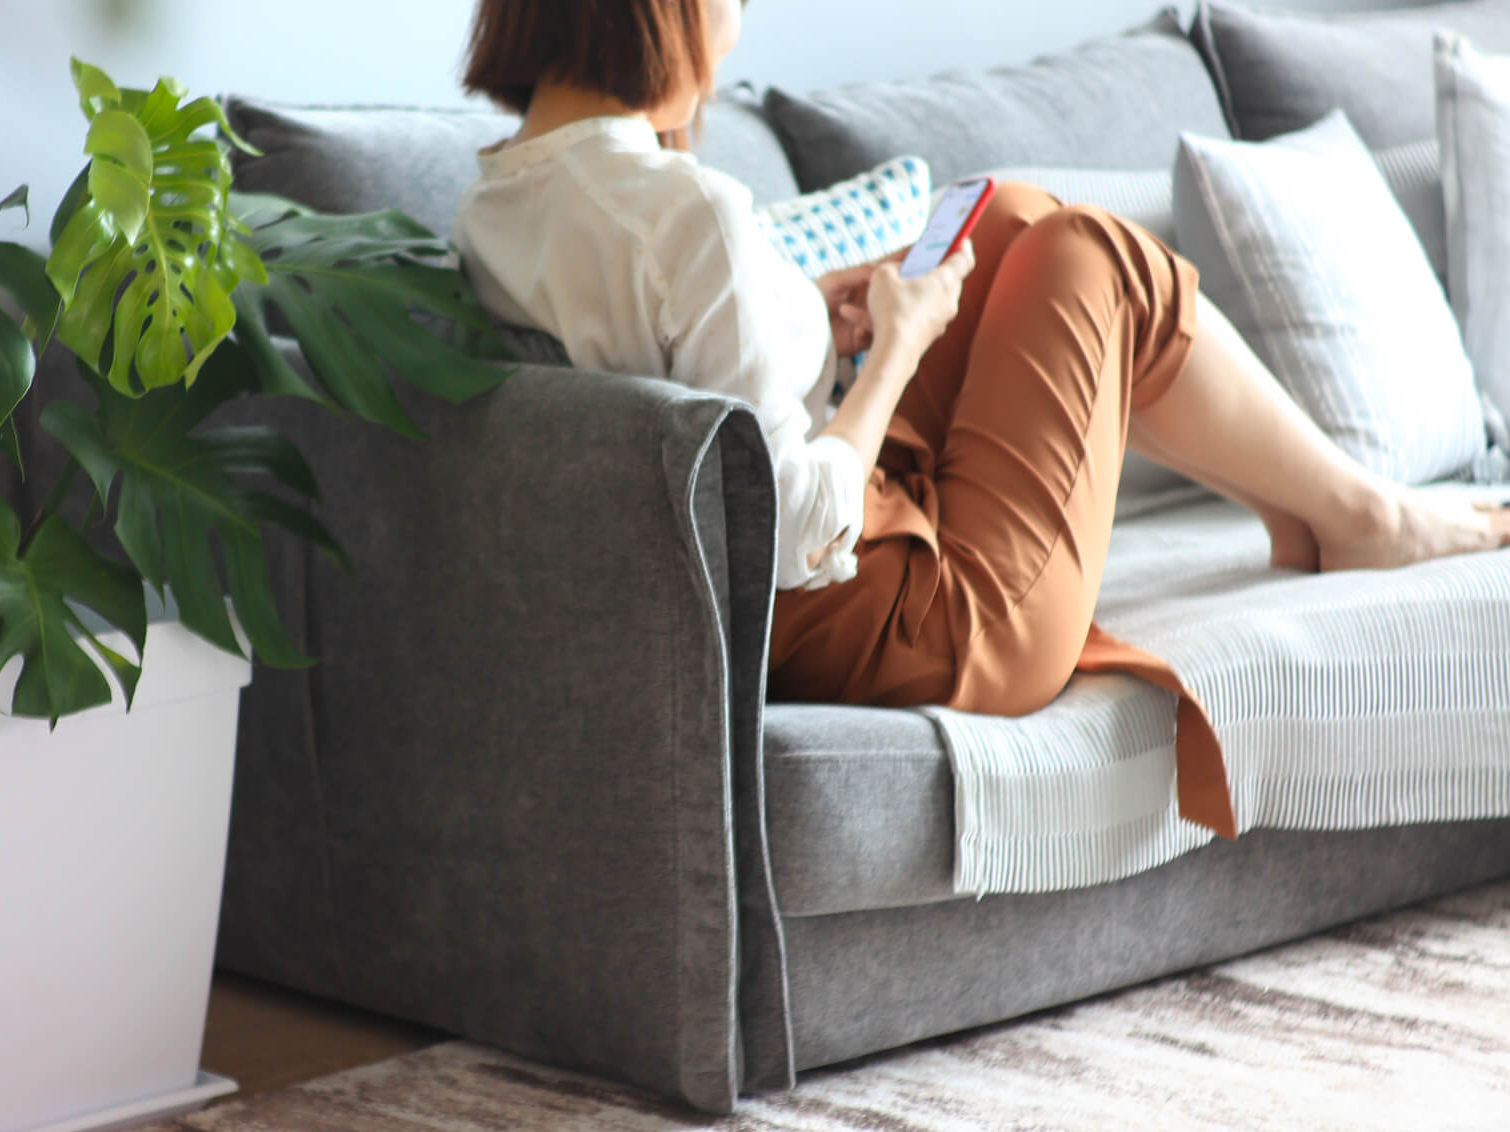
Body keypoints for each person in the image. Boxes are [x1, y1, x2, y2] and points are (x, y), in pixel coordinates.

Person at [451, 0, 1510, 836]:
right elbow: (778, 527)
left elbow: (690, 412)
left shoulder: (497, 203)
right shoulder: (686, 213)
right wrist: (895, 347)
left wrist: (807, 320)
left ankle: (1316, 511)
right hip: (915, 625)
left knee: (1003, 218)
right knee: (1094, 256)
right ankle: (1362, 513)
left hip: (801, 603)